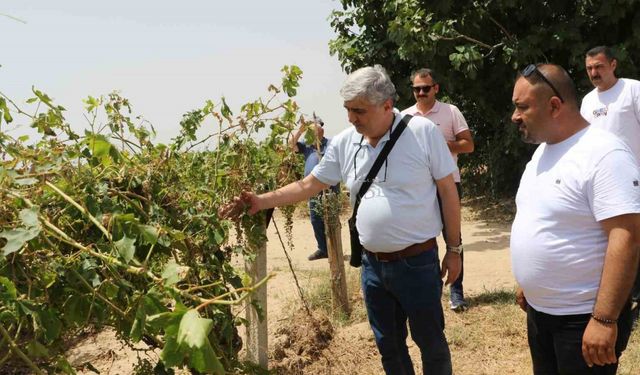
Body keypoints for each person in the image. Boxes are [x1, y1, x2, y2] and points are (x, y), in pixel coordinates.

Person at [220, 65, 463, 375]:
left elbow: (448, 191)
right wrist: (261, 201)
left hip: (417, 263)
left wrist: (454, 250)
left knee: (431, 343)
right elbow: (310, 185)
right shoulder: (347, 142)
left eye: (359, 110)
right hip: (373, 268)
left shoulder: (422, 133)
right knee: (389, 346)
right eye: (347, 110)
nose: (351, 118)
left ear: (387, 105)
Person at [510, 63, 640, 374]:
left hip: (583, 321)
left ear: (554, 105)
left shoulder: (604, 153)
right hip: (541, 314)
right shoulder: (543, 153)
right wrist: (531, 282)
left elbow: (627, 236)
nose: (515, 116)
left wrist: (605, 319)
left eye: (522, 106)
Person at [402, 68, 475, 312]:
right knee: (422, 240)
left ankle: (457, 293)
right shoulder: (403, 117)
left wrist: (444, 145)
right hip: (418, 187)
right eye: (416, 89)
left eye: (426, 88)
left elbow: (468, 145)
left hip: (448, 185)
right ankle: (430, 291)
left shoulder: (450, 111)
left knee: (453, 239)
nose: (421, 92)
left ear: (436, 88)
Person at [580, 45, 640, 320]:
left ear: (613, 64)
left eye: (599, 67)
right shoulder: (587, 101)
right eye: (590, 68)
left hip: (634, 179)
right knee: (613, 240)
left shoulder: (632, 90)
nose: (594, 73)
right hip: (601, 184)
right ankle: (625, 297)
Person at [289, 116, 337, 261]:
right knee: (316, 219)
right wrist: (300, 130)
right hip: (312, 189)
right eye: (310, 128)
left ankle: (334, 249)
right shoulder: (306, 146)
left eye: (315, 126)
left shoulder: (330, 144)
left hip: (329, 188)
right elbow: (291, 145)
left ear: (321, 128)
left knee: (331, 219)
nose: (313, 130)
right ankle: (323, 249)